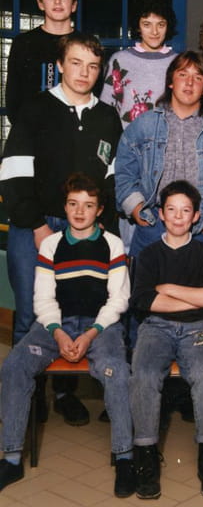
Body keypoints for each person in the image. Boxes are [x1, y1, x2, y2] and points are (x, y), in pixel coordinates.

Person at [0, 32, 122, 425]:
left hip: (85, 230)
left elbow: (112, 180)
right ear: (59, 66)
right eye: (76, 63)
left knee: (76, 310)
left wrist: (103, 230)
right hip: (36, 225)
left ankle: (66, 394)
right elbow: (14, 172)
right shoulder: (35, 110)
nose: (84, 73)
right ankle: (27, 399)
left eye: (93, 66)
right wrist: (36, 224)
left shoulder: (107, 117)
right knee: (29, 314)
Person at [0, 173, 133, 496]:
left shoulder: (112, 244)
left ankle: (125, 457)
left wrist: (90, 335)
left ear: (99, 210)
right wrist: (58, 333)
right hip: (56, 324)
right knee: (15, 365)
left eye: (88, 205)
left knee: (117, 371)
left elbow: (118, 300)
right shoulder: (51, 244)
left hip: (100, 326)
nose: (79, 211)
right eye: (73, 204)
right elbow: (43, 299)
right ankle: (12, 457)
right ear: (65, 206)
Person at [129, 180, 203, 499]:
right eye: (171, 209)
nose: (178, 216)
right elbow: (143, 300)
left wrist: (168, 288)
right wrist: (194, 299)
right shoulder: (148, 254)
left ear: (196, 216)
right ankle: (146, 457)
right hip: (155, 327)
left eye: (186, 211)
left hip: (197, 328)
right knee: (144, 374)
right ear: (161, 213)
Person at [114, 50, 203, 259]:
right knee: (146, 281)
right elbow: (124, 171)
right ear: (170, 82)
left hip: (200, 228)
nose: (189, 83)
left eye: (198, 77)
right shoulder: (145, 124)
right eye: (183, 74)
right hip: (152, 226)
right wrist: (137, 208)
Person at [5, 0, 76, 124]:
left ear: (74, 5)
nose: (57, 2)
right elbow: (13, 98)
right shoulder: (23, 43)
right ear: (40, 3)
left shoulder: (86, 43)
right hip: (30, 132)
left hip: (75, 132)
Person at [100, 0, 178, 127]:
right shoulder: (120, 60)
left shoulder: (179, 62)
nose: (154, 32)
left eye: (161, 24)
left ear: (168, 26)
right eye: (147, 24)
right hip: (127, 137)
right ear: (138, 27)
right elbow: (107, 109)